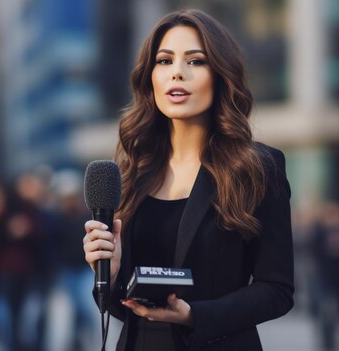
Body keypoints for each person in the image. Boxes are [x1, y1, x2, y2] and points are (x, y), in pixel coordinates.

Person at [82, 9, 294, 351]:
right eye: (164, 61)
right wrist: (110, 270)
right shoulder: (131, 171)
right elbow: (121, 308)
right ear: (150, 77)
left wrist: (194, 315)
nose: (177, 73)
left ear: (220, 74)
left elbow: (277, 290)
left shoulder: (258, 166)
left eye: (195, 61)